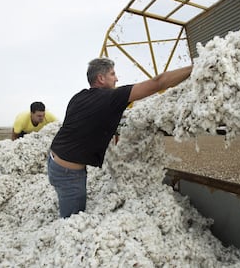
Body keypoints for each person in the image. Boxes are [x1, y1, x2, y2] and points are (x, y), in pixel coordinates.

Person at [48, 57, 192, 218]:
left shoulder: (78, 97)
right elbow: (157, 83)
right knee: (72, 220)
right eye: (112, 74)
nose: (116, 78)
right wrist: (194, 68)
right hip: (69, 174)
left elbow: (94, 120)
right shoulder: (112, 98)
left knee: (73, 215)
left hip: (56, 162)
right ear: (101, 78)